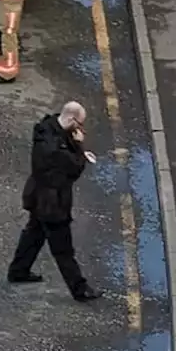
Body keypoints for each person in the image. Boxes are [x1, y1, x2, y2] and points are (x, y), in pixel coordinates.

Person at [7, 102, 103, 302]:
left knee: (34, 233)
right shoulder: (55, 151)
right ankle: (79, 289)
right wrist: (78, 146)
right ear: (70, 119)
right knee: (63, 249)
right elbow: (74, 169)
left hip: (37, 195)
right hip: (52, 203)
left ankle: (19, 270)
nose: (79, 129)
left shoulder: (47, 129)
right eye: (79, 125)